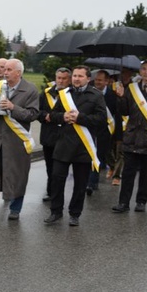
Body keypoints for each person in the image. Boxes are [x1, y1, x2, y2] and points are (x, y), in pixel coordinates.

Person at [0, 59, 39, 220]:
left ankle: (15, 209)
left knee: (17, 175)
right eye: (4, 69)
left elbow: (32, 115)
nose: (5, 72)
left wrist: (12, 107)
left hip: (17, 141)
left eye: (9, 70)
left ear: (19, 72)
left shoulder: (30, 89)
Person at [44, 66, 106, 226]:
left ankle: (75, 214)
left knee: (80, 183)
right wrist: (62, 116)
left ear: (88, 78)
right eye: (75, 76)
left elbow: (101, 120)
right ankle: (55, 211)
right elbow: (52, 115)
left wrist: (80, 118)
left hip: (83, 146)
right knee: (57, 180)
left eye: (80, 76)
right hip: (63, 144)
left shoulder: (96, 95)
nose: (77, 79)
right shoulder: (64, 94)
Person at [112, 59, 147, 213]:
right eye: (143, 69)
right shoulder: (132, 89)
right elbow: (124, 111)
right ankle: (123, 203)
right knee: (128, 172)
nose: (146, 72)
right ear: (140, 71)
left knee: (145, 173)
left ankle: (141, 201)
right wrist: (120, 97)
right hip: (132, 137)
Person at [37, 67, 70, 202]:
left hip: (65, 138)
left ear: (69, 80)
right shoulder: (45, 94)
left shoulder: (72, 94)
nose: (61, 81)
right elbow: (37, 112)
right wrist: (45, 116)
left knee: (60, 169)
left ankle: (58, 193)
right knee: (50, 167)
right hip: (48, 137)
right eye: (59, 78)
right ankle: (50, 191)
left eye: (64, 78)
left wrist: (56, 117)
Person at [86, 69, 115, 195]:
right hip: (91, 128)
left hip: (106, 131)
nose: (97, 82)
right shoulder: (90, 92)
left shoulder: (113, 95)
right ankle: (91, 183)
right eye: (96, 79)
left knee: (99, 156)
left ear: (107, 81)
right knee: (92, 156)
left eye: (100, 80)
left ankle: (94, 180)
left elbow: (116, 115)